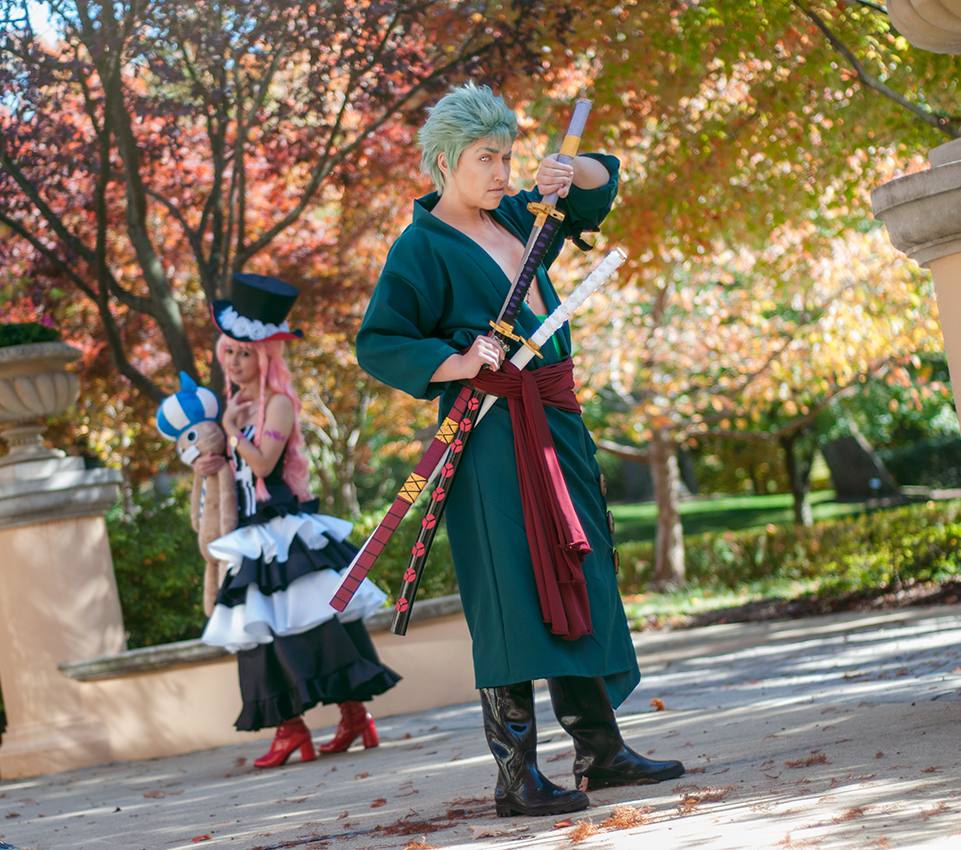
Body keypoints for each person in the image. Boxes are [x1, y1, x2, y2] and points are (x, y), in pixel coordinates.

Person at [355, 83, 684, 817]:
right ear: (445, 162)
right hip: (492, 435)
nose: (502, 172)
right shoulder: (420, 248)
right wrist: (457, 361)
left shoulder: (517, 215)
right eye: (486, 158)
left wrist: (573, 172)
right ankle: (517, 775)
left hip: (556, 422)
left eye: (507, 156)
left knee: (577, 570)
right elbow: (380, 341)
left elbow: (596, 191)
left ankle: (601, 751)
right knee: (511, 588)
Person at [197, 273, 400, 768]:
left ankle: (351, 716)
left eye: (245, 353)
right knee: (261, 632)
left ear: (266, 356)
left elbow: (265, 463)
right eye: (229, 351)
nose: (234, 361)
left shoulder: (279, 404)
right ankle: (294, 729)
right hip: (248, 532)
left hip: (282, 528)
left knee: (315, 627)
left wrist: (231, 431)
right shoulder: (236, 405)